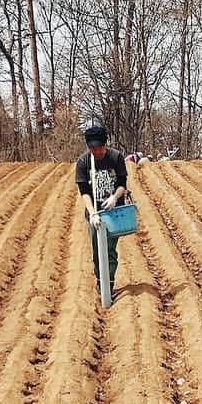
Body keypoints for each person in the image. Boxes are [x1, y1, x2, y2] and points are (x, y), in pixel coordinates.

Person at [75, 124, 129, 301]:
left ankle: (109, 284)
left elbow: (122, 183)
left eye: (99, 147)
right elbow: (83, 191)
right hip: (95, 213)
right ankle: (101, 282)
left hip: (114, 212)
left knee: (110, 250)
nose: (96, 151)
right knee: (98, 250)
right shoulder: (83, 162)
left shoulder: (116, 158)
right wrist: (92, 213)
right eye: (92, 148)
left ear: (105, 144)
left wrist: (114, 197)